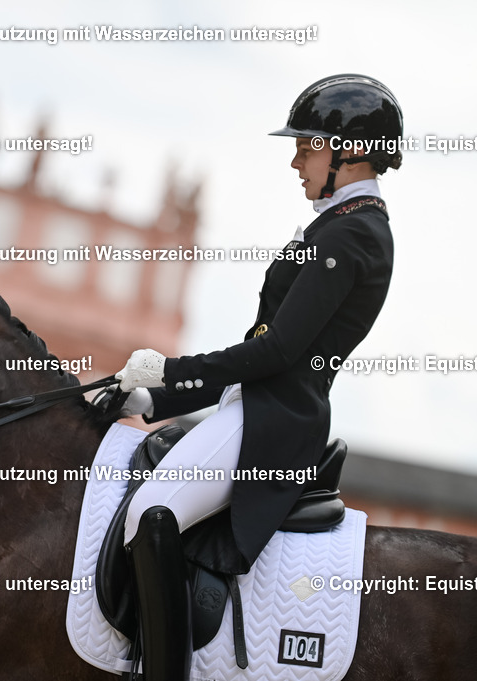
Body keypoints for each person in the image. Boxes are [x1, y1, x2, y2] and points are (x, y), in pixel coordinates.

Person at [113, 74, 402, 681]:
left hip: (275, 422)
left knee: (151, 513)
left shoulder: (353, 234)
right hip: (253, 406)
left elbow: (278, 353)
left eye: (307, 147)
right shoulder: (337, 223)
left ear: (349, 151)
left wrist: (170, 368)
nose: (296, 162)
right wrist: (158, 395)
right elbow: (258, 348)